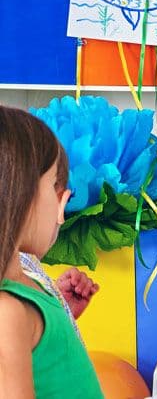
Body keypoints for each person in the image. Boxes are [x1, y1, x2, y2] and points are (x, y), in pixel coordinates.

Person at [0, 105, 103, 397]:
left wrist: (59, 317)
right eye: (54, 184)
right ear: (16, 194)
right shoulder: (6, 313)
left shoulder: (27, 283)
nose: (64, 198)